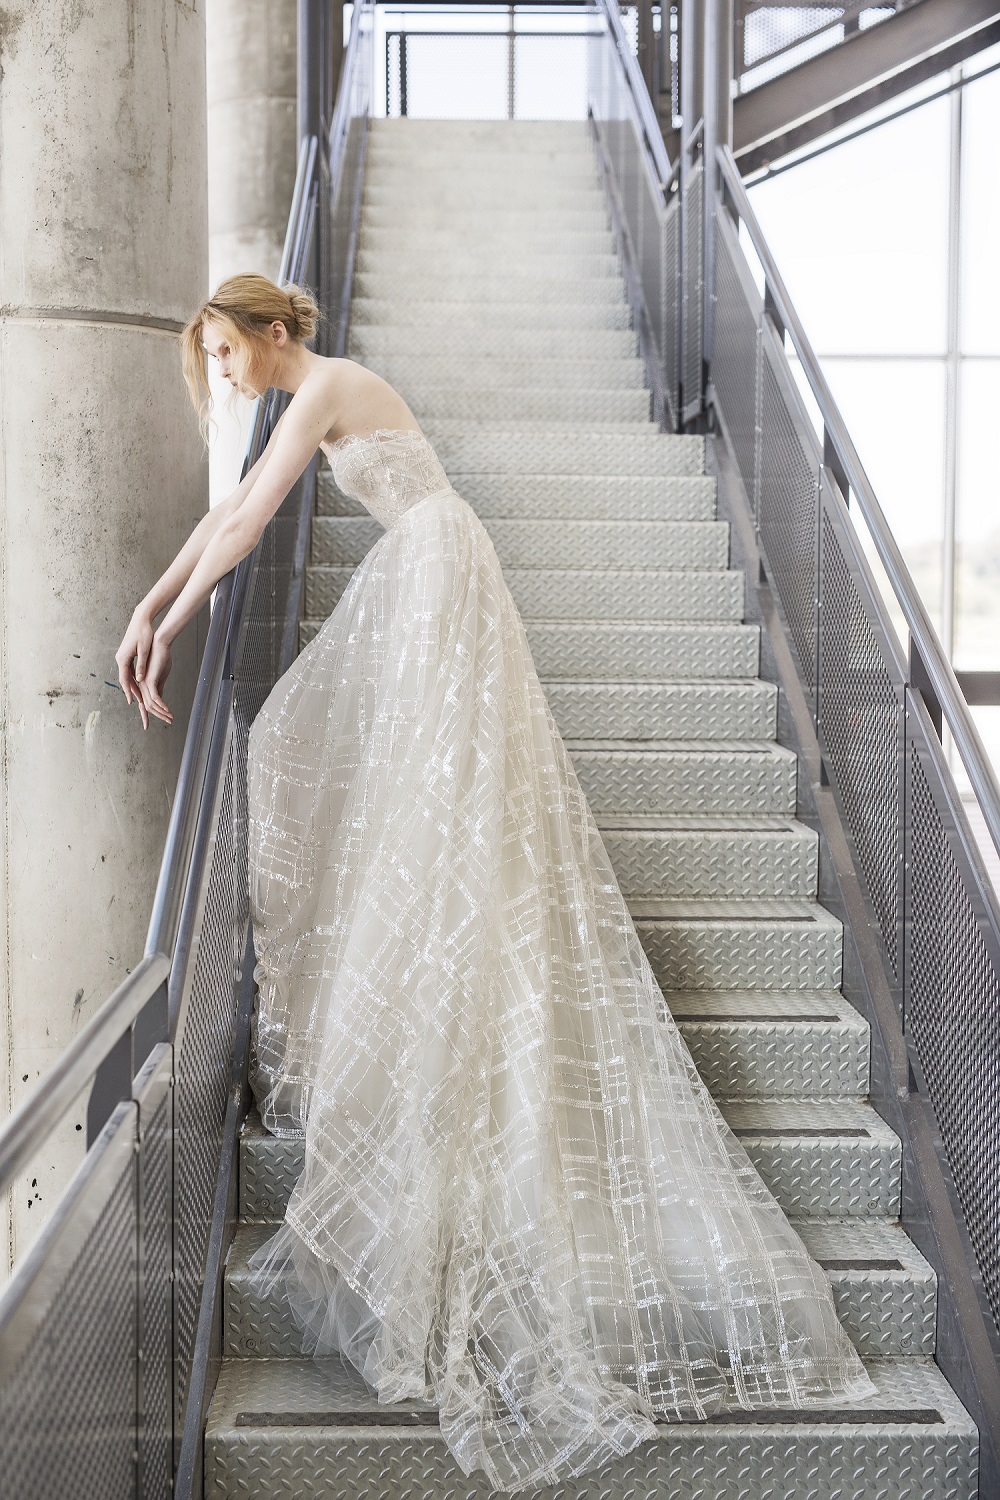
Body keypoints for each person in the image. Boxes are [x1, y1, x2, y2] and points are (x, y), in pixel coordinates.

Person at [118, 272, 879, 1493]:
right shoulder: (299, 397)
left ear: (270, 330)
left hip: (435, 574)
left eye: (226, 351)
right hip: (423, 574)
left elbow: (253, 521)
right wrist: (152, 607)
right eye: (209, 361)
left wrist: (166, 615)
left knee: (359, 777)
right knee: (317, 761)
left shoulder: (322, 383)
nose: (225, 374)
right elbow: (228, 518)